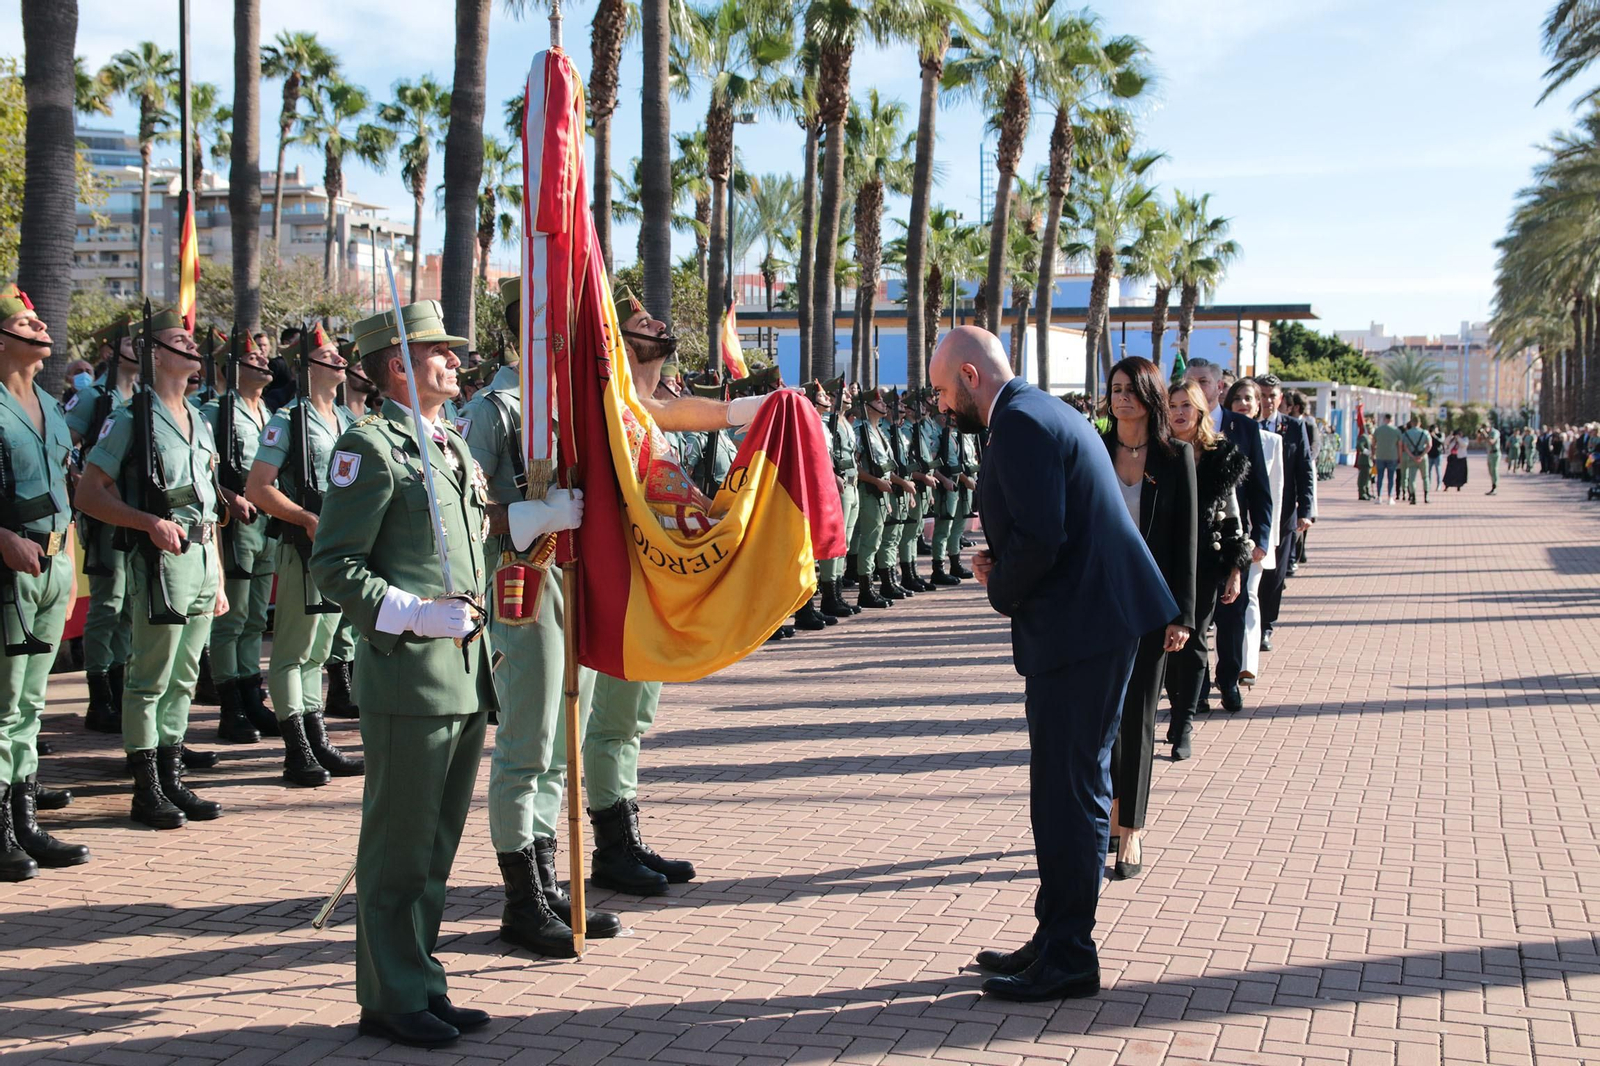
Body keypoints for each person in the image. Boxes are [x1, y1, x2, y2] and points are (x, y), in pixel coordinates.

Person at [930, 326, 1175, 1002]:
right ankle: (1056, 936)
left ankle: (1070, 952)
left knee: (1071, 791)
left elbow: (1044, 536)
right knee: (1062, 788)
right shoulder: (1039, 411)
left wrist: (1001, 583)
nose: (942, 406)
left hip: (1083, 627)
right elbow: (1048, 528)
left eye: (944, 390)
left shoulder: (1020, 424)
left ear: (972, 377)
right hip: (1087, 621)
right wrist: (1005, 563)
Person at [307, 300, 494, 1048]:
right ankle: (388, 995)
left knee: (436, 846)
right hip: (410, 673)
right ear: (397, 367)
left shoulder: (449, 444)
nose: (454, 361)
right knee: (398, 847)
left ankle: (420, 979)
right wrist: (413, 613)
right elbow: (333, 566)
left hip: (465, 671)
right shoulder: (369, 446)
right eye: (438, 352)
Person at [76, 308, 229, 830]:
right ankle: (146, 788)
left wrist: (221, 579)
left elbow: (210, 505)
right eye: (178, 340)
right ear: (155, 354)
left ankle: (172, 775)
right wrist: (145, 523)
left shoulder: (200, 418)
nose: (191, 347)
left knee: (185, 675)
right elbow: (89, 492)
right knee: (151, 677)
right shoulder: (131, 417)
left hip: (204, 559)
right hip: (163, 561)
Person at [245, 325, 365, 787]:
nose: (340, 360)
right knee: (294, 652)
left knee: (320, 650)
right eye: (330, 354)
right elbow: (258, 487)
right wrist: (304, 519)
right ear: (308, 365)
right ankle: (297, 748)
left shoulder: (347, 421)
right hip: (305, 545)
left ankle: (318, 740)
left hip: (341, 548)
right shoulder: (286, 420)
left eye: (340, 354)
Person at [0, 285, 91, 879]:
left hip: (55, 562)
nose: (41, 329)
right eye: (27, 323)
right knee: (5, 703)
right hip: (10, 563)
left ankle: (26, 818)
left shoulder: (51, 405)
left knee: (32, 700)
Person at [1100, 357, 1196, 881]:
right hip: (1099, 603)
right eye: (1115, 389)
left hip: (1152, 607)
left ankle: (1131, 828)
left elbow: (1186, 541)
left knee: (1138, 713)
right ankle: (1111, 814)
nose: (1122, 398)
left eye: (1132, 389)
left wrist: (1181, 614)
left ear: (1150, 395)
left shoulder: (1175, 455)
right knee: (1104, 716)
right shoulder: (1096, 448)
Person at [198, 332, 278, 745]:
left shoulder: (268, 412)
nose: (263, 361)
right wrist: (228, 497)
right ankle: (230, 704)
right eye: (252, 357)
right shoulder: (215, 412)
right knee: (232, 619)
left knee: (254, 618)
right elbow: (202, 470)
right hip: (238, 523)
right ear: (232, 367)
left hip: (267, 524)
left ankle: (251, 696)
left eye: (264, 355)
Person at [1165, 380, 1249, 762]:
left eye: (1187, 405)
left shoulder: (1220, 457)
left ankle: (1183, 722)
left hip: (1205, 562)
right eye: (1173, 405)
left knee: (1195, 641)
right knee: (1160, 641)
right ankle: (1171, 704)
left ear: (1200, 410)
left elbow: (1232, 517)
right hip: (1160, 559)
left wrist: (1235, 568)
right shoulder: (1157, 452)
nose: (1179, 412)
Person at [66, 316, 140, 734]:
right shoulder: (94, 398)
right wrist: (79, 480)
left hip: (136, 515)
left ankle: (119, 683)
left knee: (131, 605)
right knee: (108, 604)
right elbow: (64, 444)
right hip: (105, 516)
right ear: (110, 352)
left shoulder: (145, 398)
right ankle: (100, 694)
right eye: (129, 344)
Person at [1185, 362, 1272, 714]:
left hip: (1234, 537)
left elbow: (1259, 488)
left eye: (1203, 382)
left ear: (1219, 386)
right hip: (1194, 542)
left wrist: (1262, 536)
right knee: (1196, 619)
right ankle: (1199, 686)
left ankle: (1229, 679)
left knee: (1232, 615)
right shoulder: (1176, 427)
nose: (1197, 389)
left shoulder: (1243, 428)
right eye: (1191, 383)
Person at [1256, 376, 1313, 652]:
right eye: (1262, 394)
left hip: (1283, 514)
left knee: (1275, 576)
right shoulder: (1243, 425)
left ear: (1281, 399)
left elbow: (1305, 469)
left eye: (1272, 395)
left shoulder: (1293, 427)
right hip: (1251, 516)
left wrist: (1306, 509)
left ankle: (1266, 626)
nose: (1267, 400)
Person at [1231, 379, 1282, 691]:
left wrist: (1266, 541)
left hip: (1253, 537)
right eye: (1237, 398)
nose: (1243, 403)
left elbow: (1271, 493)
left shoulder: (1271, 441)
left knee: (1249, 596)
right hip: (1223, 535)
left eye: (1249, 398)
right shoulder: (1218, 434)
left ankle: (1247, 665)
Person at [1399, 415, 1431, 504]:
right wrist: (1422, 455)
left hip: (1411, 457)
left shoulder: (1406, 434)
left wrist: (1412, 456)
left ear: (1412, 423)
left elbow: (1404, 447)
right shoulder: (1425, 433)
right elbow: (1429, 445)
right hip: (1423, 457)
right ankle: (1426, 496)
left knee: (1411, 478)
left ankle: (1413, 497)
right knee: (1425, 477)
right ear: (1420, 423)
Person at [1372, 414, 1402, 503]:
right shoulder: (1396, 431)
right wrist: (1400, 457)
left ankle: (1379, 497)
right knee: (1391, 477)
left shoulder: (1378, 430)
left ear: (1384, 419)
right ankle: (1390, 497)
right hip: (1392, 456)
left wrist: (1373, 455)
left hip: (1380, 456)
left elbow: (1373, 444)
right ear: (1392, 420)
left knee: (1380, 477)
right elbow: (1400, 446)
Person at [1355, 417, 1374, 501]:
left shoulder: (1369, 437)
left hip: (1369, 461)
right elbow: (1359, 446)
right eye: (1370, 428)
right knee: (1363, 478)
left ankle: (1366, 492)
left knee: (1368, 478)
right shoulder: (1364, 437)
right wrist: (1367, 452)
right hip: (1364, 461)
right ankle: (1362, 493)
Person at [1482, 425, 1501, 494]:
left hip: (1495, 453)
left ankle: (1495, 487)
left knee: (1494, 470)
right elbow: (1478, 441)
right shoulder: (1488, 433)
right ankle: (1493, 484)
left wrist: (1485, 434)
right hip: (1489, 454)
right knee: (1490, 471)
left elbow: (1491, 441)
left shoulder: (1494, 432)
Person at [1427, 424, 1444, 491]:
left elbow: (1440, 441)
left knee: (1438, 470)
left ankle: (1439, 484)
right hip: (1430, 455)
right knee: (1429, 471)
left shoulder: (1440, 434)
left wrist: (1434, 436)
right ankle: (1428, 484)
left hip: (1438, 454)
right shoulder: (1428, 435)